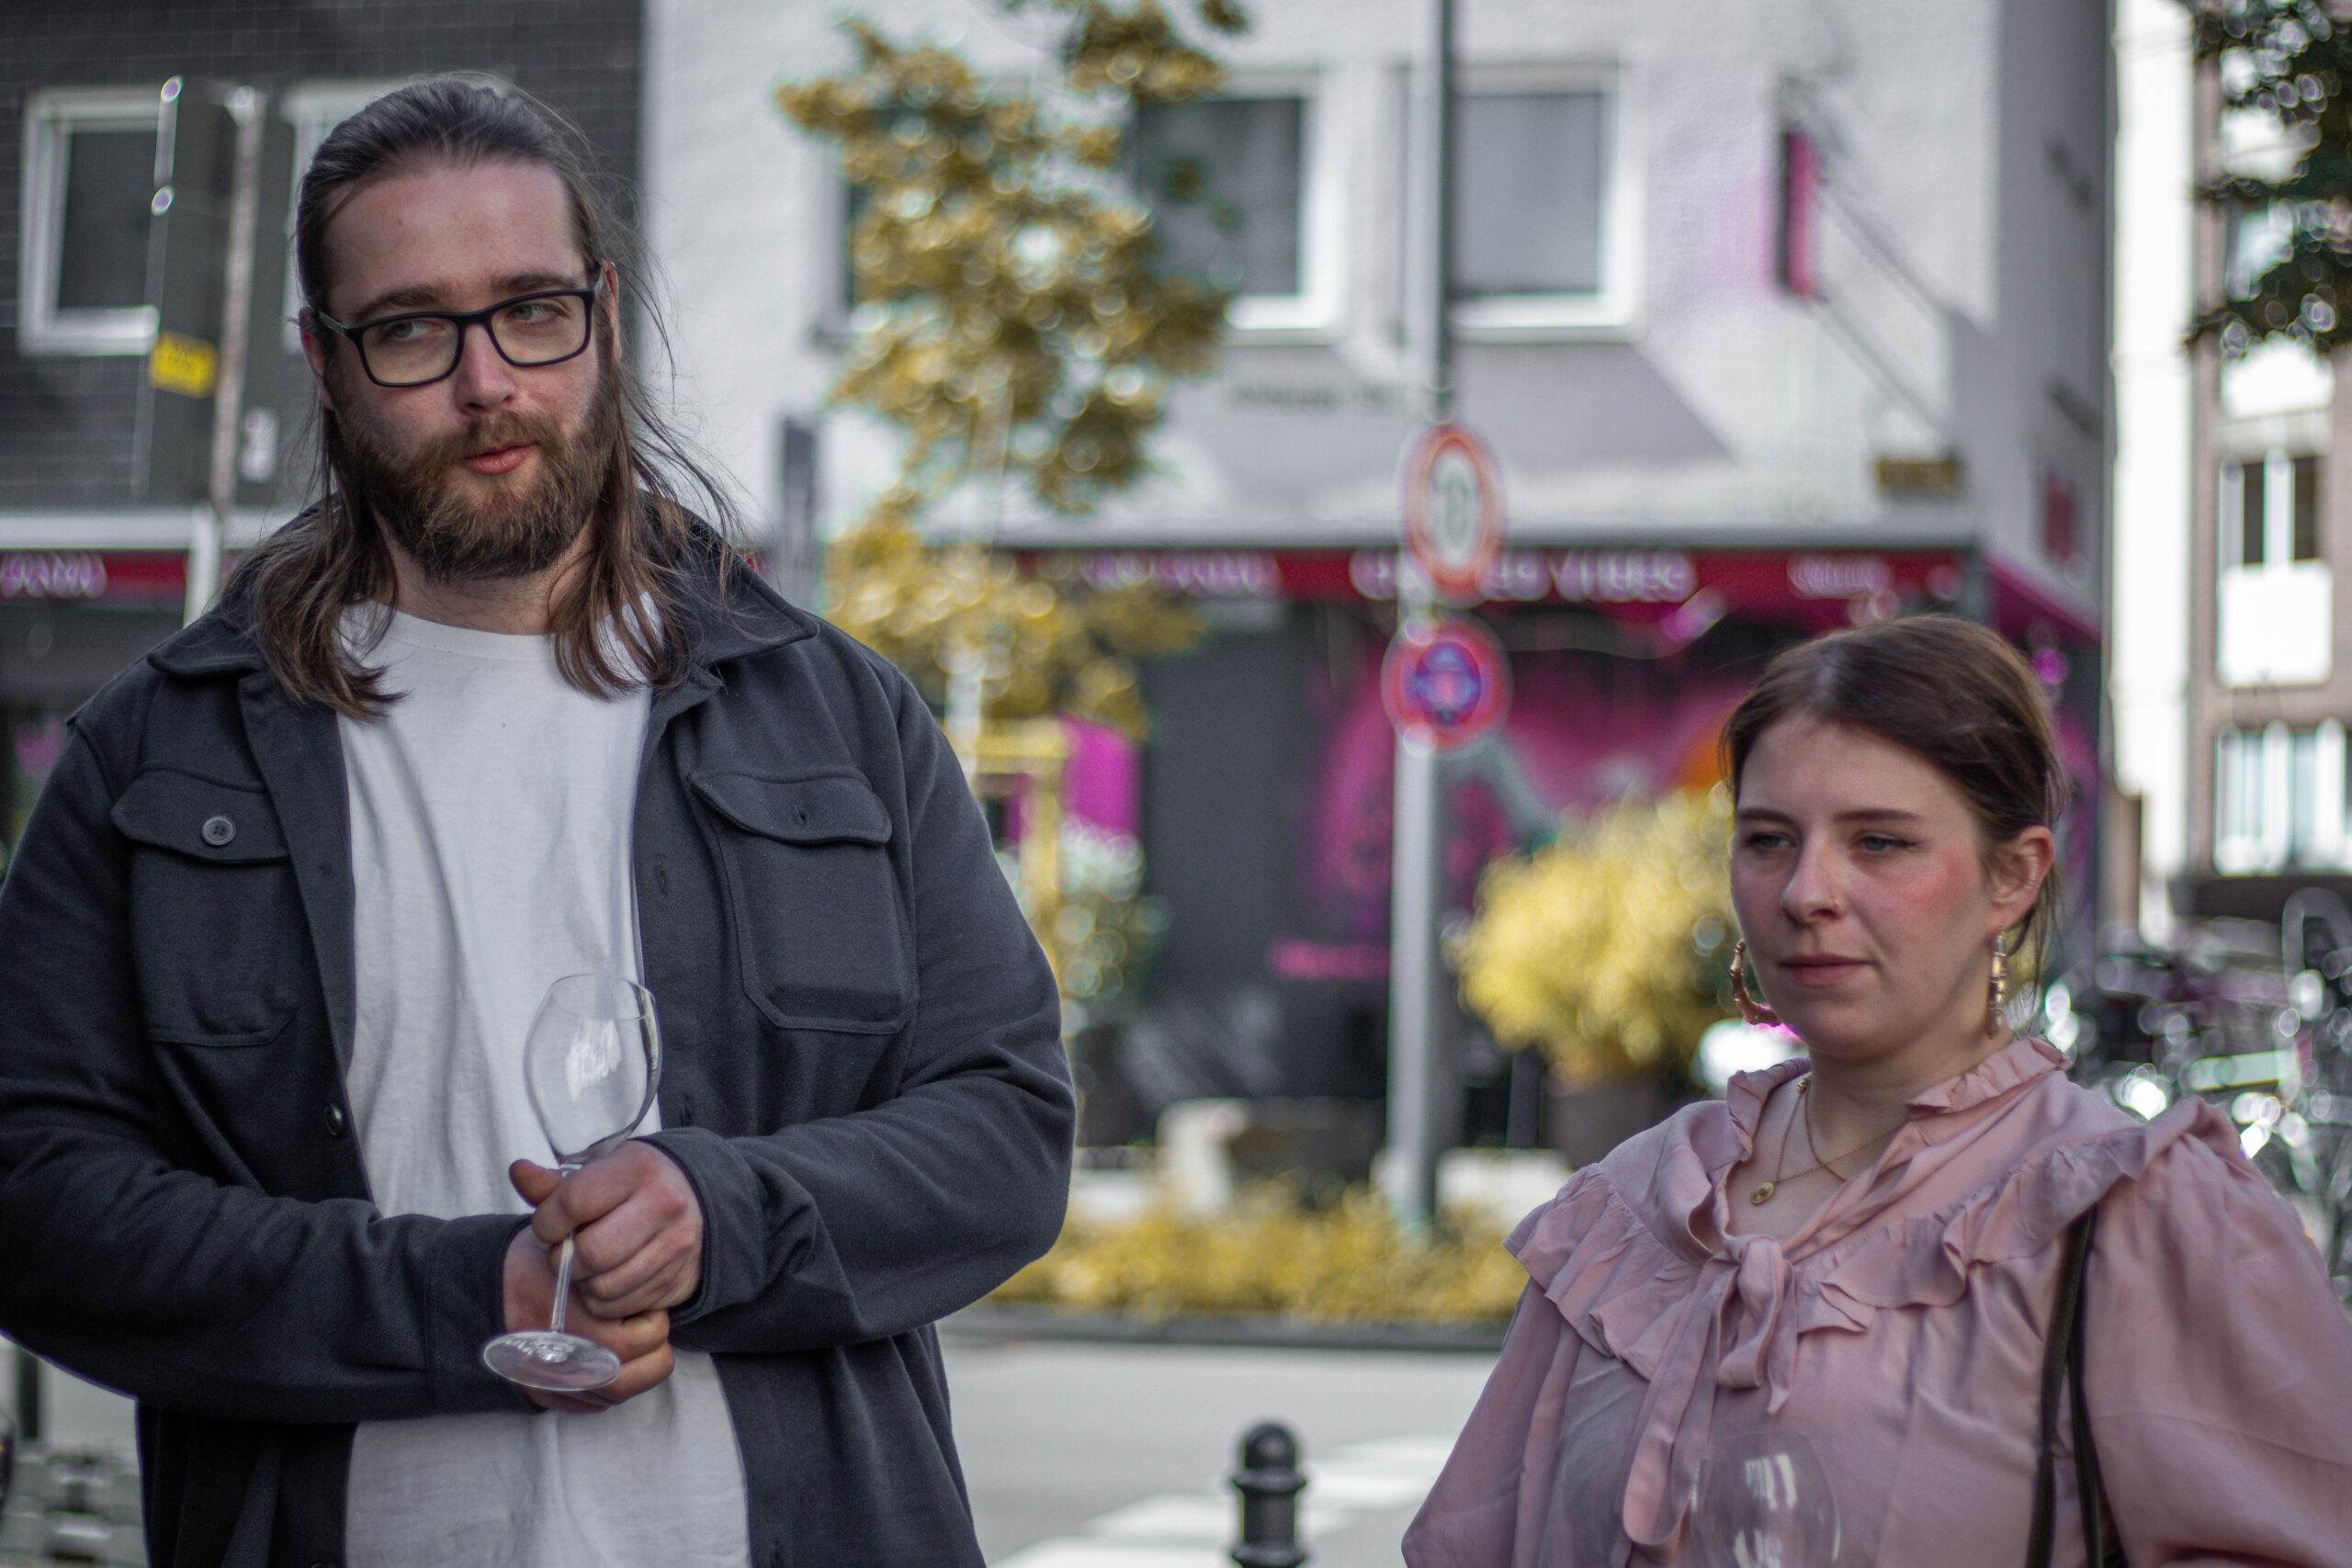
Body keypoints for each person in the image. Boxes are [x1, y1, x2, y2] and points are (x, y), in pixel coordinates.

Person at [0, 79, 1073, 1568]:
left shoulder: (837, 716)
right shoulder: (162, 752)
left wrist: (721, 1213)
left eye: (531, 311)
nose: (486, 379)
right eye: (411, 329)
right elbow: (38, 1194)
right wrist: (454, 1298)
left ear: (605, 317)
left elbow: (1005, 1129)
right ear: (326, 362)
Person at [1405, 615, 2352, 1567]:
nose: (1806, 891)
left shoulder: (2135, 1215)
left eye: (1879, 842)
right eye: (1768, 840)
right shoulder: (1631, 1202)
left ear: (2013, 876)